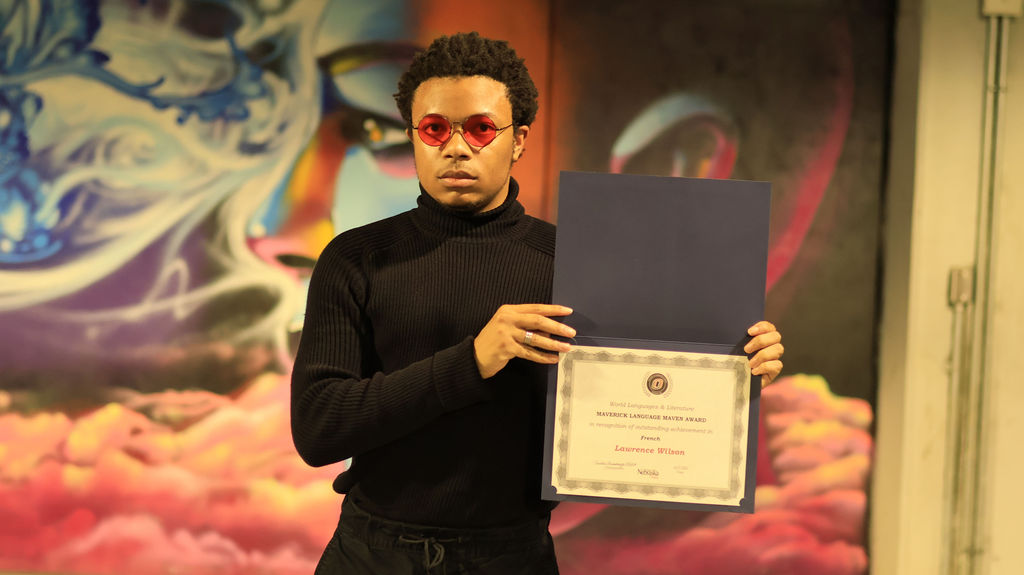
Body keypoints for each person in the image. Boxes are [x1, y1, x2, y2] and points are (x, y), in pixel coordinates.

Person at [290, 31, 784, 574]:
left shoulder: (573, 264)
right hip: (372, 554)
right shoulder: (355, 258)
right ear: (412, 137)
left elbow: (649, 388)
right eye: (434, 129)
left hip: (510, 556)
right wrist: (473, 360)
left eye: (480, 129)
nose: (456, 147)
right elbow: (319, 430)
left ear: (518, 140)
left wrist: (733, 368)